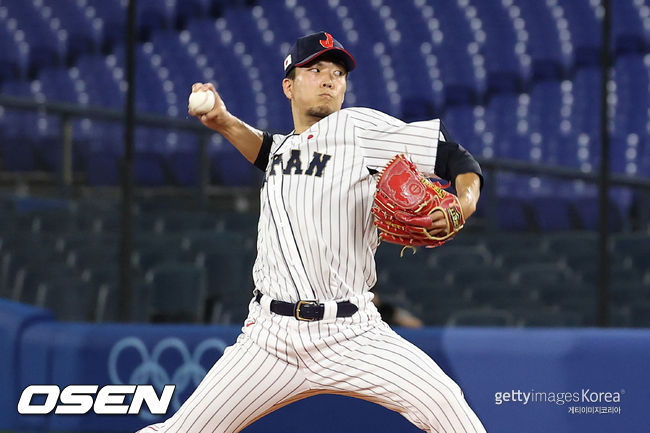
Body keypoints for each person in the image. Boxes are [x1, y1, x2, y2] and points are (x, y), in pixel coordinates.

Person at [137, 31, 486, 433]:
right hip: (269, 339)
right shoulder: (285, 149)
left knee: (444, 404)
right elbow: (269, 150)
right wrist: (224, 123)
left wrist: (465, 201)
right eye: (315, 69)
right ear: (288, 86)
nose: (329, 79)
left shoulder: (358, 129)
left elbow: (455, 157)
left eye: (338, 72)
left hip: (351, 333)